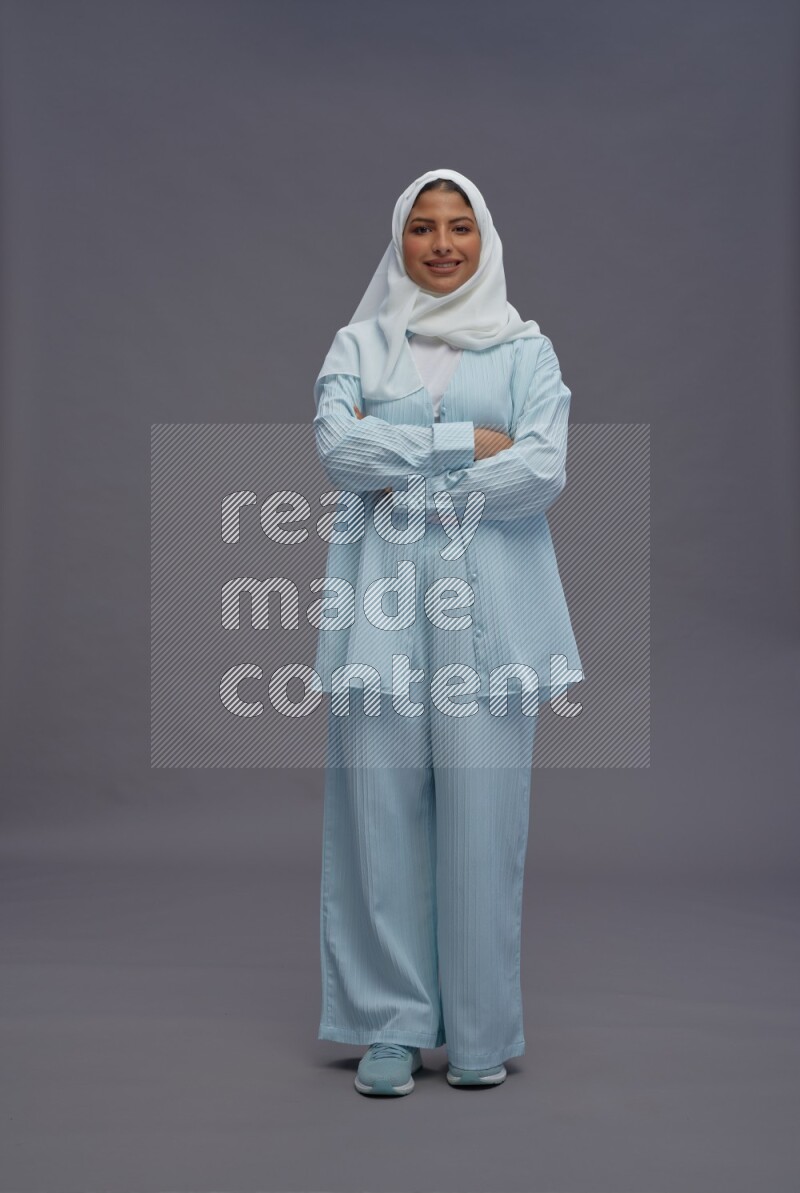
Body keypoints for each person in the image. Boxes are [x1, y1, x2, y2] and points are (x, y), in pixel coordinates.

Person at [312, 168, 584, 1096]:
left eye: (459, 226)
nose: (440, 244)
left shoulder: (527, 351)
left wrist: (404, 475)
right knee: (377, 814)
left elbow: (542, 469)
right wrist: (467, 445)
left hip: (493, 619)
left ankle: (477, 1030)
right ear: (399, 239)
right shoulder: (358, 344)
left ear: (483, 238)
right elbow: (336, 451)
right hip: (380, 617)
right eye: (422, 227)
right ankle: (389, 1026)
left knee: (483, 822)